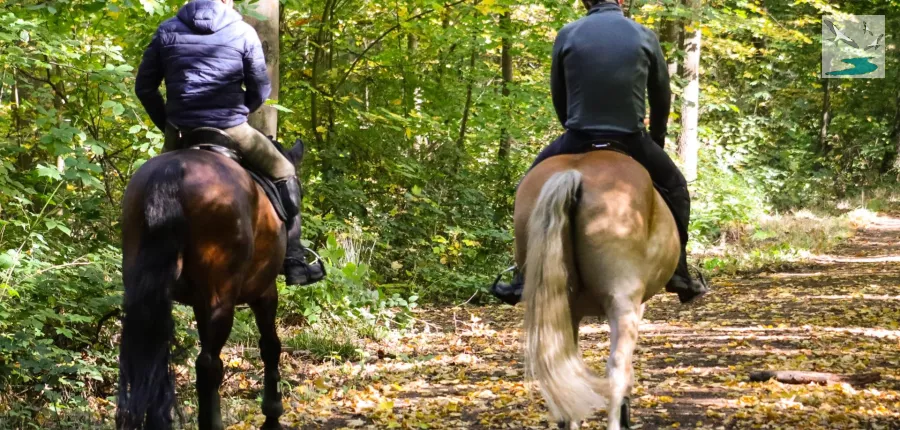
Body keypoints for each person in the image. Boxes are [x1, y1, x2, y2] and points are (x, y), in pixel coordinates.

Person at [491, 0, 709, 305]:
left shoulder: (568, 33)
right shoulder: (644, 35)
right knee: (675, 187)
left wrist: (571, 126)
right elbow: (661, 96)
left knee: (528, 185)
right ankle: (679, 272)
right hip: (631, 138)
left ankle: (522, 275)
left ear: (586, 1)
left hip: (578, 136)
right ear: (621, 1)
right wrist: (655, 139)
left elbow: (559, 92)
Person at [134, 0, 324, 286]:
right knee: (285, 171)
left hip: (181, 131)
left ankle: (140, 261)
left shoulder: (167, 30)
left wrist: (168, 124)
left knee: (145, 186)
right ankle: (294, 260)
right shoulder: (241, 30)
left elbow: (144, 87)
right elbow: (261, 88)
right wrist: (239, 112)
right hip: (231, 128)